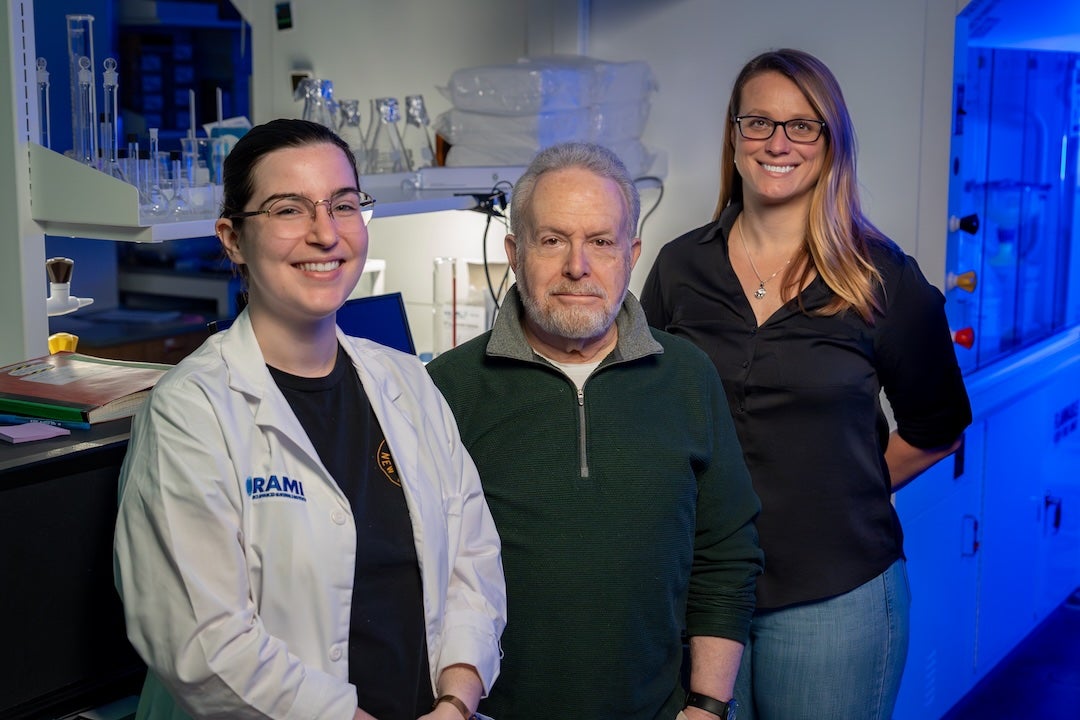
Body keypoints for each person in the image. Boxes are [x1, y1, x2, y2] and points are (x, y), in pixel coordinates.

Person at [114, 118, 506, 720]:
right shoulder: (190, 413)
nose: (326, 234)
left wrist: (455, 700)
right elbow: (204, 645)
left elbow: (472, 565)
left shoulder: (406, 383)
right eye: (289, 209)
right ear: (232, 239)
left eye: (343, 205)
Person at [640, 49, 973, 720]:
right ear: (734, 138)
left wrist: (843, 492)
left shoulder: (882, 279)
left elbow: (938, 427)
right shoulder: (680, 268)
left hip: (836, 597)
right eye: (758, 122)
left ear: (832, 144)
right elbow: (647, 406)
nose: (777, 142)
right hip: (700, 591)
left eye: (802, 125)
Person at [426, 141, 763, 720]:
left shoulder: (687, 377)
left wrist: (708, 706)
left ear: (631, 254)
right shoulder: (446, 388)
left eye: (601, 242)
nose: (577, 266)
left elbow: (725, 554)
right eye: (552, 240)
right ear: (514, 251)